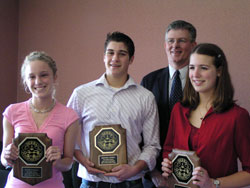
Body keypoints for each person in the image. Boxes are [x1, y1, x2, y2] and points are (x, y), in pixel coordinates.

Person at [67, 31, 161, 188]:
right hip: (91, 182)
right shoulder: (81, 94)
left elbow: (152, 145)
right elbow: (65, 134)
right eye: (110, 53)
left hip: (131, 183)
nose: (115, 59)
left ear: (131, 59)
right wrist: (82, 160)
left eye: (122, 54)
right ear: (104, 56)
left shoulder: (145, 97)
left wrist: (134, 169)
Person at [162, 43, 250, 187]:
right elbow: (168, 149)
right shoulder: (178, 110)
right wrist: (167, 164)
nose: (195, 74)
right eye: (192, 67)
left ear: (219, 71)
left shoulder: (237, 117)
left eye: (203, 68)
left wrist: (214, 184)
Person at [1, 51, 79, 188]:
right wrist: (7, 155)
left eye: (43, 75)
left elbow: (68, 163)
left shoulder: (69, 116)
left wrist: (58, 161)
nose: (38, 82)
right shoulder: (12, 112)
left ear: (54, 77)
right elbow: (4, 159)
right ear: (26, 81)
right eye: (32, 77)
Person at [140, 20, 197, 187]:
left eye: (182, 40)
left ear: (193, 45)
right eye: (171, 41)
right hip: (154, 175)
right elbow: (140, 130)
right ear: (165, 45)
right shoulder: (149, 81)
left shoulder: (202, 82)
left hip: (194, 174)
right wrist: (152, 172)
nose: (175, 45)